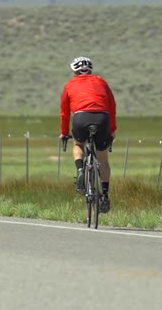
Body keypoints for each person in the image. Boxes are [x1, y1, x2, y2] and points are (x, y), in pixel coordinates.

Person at [59, 56, 117, 213]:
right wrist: (112, 129)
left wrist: (64, 133)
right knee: (103, 158)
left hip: (80, 117)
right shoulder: (101, 81)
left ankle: (80, 170)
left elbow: (64, 113)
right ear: (90, 69)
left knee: (78, 144)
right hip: (102, 117)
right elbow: (112, 106)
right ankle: (104, 194)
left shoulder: (69, 85)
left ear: (74, 71)